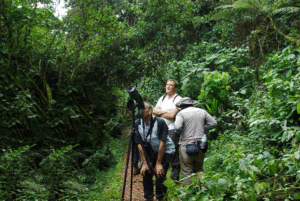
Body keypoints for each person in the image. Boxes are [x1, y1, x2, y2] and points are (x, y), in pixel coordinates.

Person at [135, 102, 175, 201]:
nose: (140, 110)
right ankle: (148, 197)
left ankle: (161, 196)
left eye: (143, 108)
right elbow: (139, 145)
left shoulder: (160, 122)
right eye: (139, 108)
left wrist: (158, 163)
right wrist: (144, 163)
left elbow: (163, 143)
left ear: (150, 111)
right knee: (146, 171)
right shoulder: (137, 123)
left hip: (165, 150)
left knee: (160, 173)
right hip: (150, 150)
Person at [174, 97, 217, 185]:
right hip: (201, 145)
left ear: (182, 106)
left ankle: (189, 194)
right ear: (191, 103)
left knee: (187, 171)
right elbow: (213, 123)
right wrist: (204, 128)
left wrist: (181, 131)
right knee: (199, 169)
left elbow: (177, 127)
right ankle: (203, 192)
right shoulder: (202, 111)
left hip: (186, 145)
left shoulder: (181, 113)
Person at [153, 79, 182, 181]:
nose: (168, 87)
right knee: (161, 152)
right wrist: (165, 112)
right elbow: (153, 111)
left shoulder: (178, 99)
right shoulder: (162, 98)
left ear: (175, 87)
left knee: (173, 153)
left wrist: (160, 112)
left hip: (172, 129)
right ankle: (161, 176)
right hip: (161, 129)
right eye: (167, 85)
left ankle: (175, 177)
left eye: (171, 85)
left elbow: (172, 115)